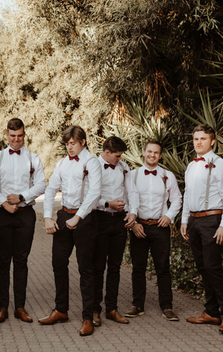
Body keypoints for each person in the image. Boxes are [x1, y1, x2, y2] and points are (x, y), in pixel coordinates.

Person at [39, 125, 101, 337]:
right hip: (64, 216)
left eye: (72, 143)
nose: (69, 147)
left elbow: (94, 193)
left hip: (85, 218)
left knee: (86, 268)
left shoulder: (92, 162)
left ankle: (87, 317)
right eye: (67, 144)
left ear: (83, 142)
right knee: (58, 263)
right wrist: (48, 216)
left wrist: (79, 217)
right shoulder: (62, 163)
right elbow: (50, 190)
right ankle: (61, 310)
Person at [0, 118, 46, 324]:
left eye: (20, 136)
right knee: (2, 261)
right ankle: (3, 307)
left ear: (24, 135)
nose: (16, 140)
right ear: (6, 135)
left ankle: (20, 307)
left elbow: (41, 184)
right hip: (3, 214)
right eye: (12, 136)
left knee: (21, 261)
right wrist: (4, 203)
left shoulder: (32, 158)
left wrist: (21, 197)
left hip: (25, 214)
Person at [181, 124, 223, 333]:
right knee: (203, 267)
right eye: (196, 139)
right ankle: (212, 312)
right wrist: (184, 221)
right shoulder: (191, 166)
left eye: (203, 139)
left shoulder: (221, 165)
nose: (198, 142)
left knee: (213, 266)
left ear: (212, 141)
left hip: (213, 219)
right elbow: (187, 194)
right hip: (194, 221)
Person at [124, 141, 182, 322]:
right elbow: (125, 201)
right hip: (138, 227)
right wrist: (133, 224)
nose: (152, 155)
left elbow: (177, 199)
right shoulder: (132, 175)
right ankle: (137, 305)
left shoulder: (167, 176)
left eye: (156, 152)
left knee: (163, 268)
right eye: (149, 151)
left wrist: (169, 216)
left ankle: (167, 306)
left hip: (160, 227)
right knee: (138, 268)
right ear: (143, 152)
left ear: (160, 155)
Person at [92, 136, 135, 327]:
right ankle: (95, 309)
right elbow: (89, 195)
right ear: (106, 152)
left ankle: (112, 308)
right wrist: (107, 203)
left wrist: (133, 212)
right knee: (98, 266)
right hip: (100, 219)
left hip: (119, 221)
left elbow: (132, 191)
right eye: (117, 156)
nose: (120, 159)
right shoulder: (93, 166)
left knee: (115, 267)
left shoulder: (124, 167)